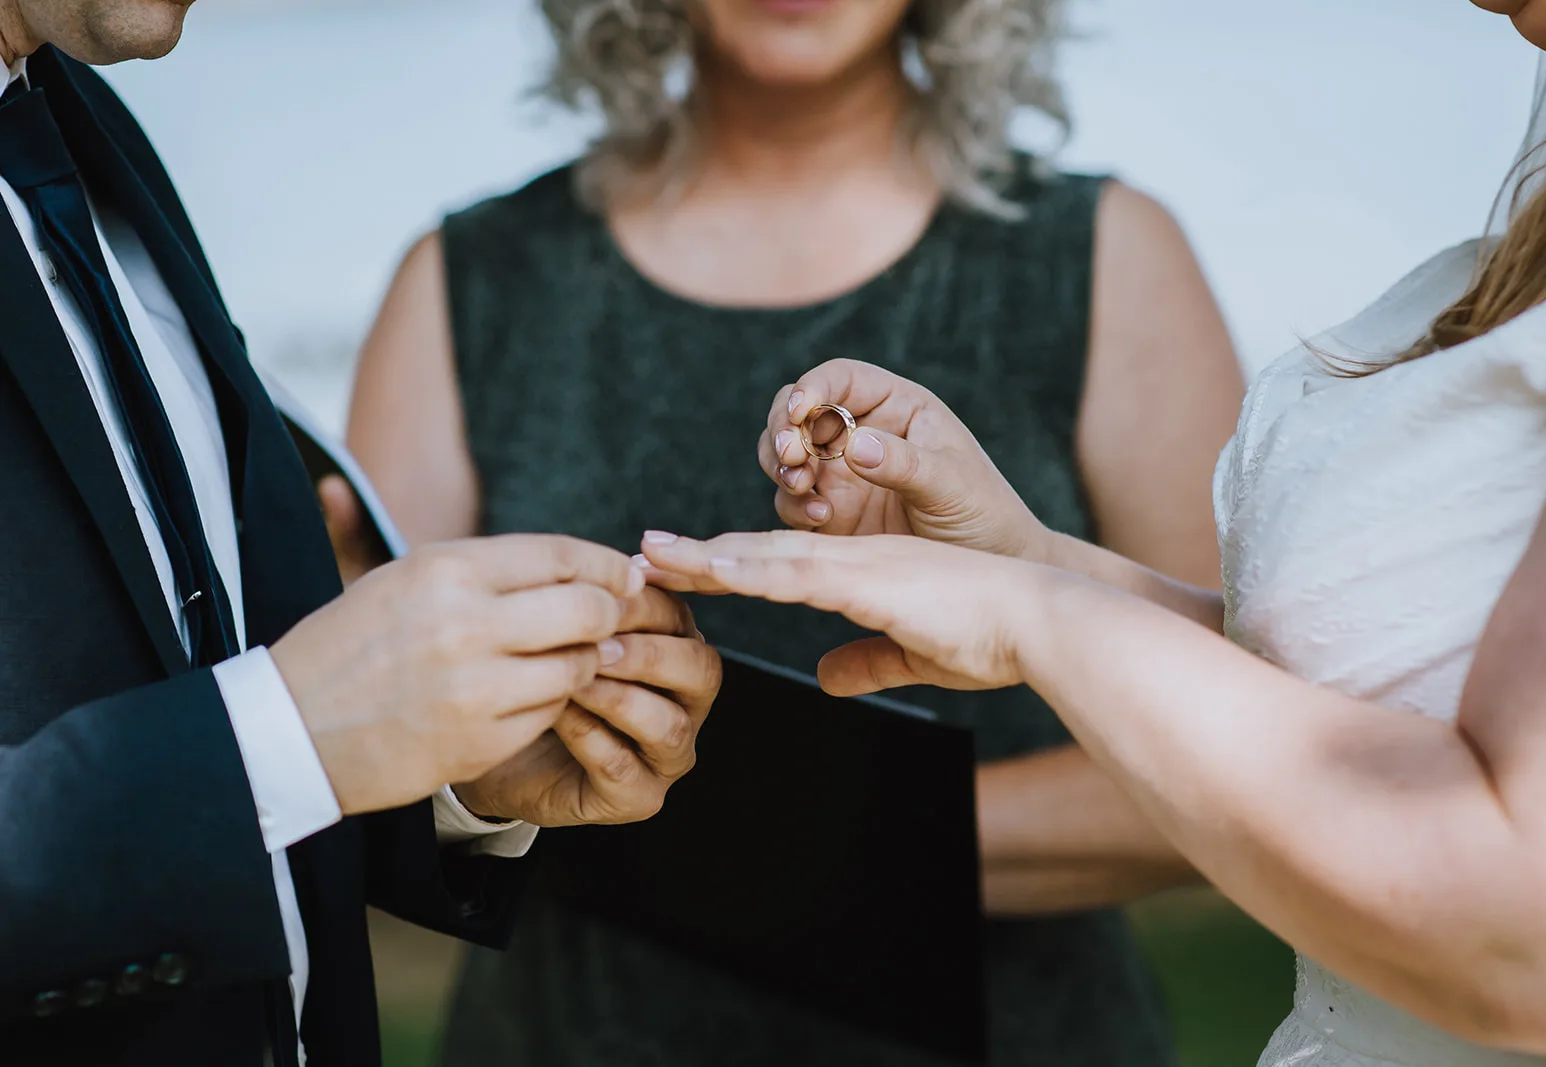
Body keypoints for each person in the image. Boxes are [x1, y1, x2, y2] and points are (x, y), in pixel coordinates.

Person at [640, 6, 1546, 1066]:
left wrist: (1034, 619)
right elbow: (1370, 696)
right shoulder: (1542, 248)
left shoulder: (1098, 242)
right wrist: (1033, 560)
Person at [347, 0, 1242, 1061]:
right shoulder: (467, 280)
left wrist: (797, 846)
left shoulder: (1104, 257)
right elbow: (374, 754)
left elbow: (1235, 737)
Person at [0, 2, 721, 1065]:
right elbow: (259, 732)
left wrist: (452, 764)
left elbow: (182, 670)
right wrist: (290, 734)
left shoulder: (86, 123)